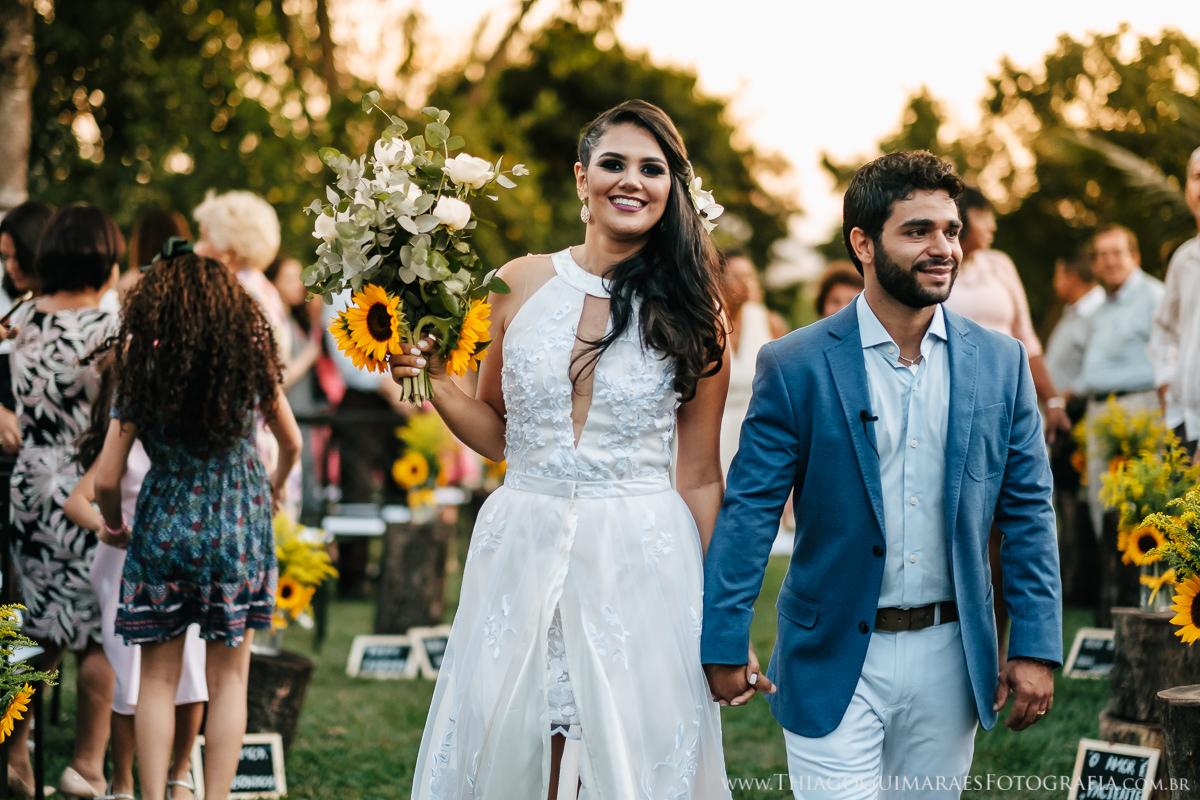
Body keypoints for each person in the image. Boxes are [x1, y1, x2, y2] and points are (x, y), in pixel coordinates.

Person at [394, 99, 736, 799]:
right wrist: (435, 382)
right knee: (521, 739)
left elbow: (700, 477)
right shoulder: (516, 282)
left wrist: (721, 615)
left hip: (640, 557)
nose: (630, 181)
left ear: (673, 189)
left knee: (622, 751)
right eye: (613, 164)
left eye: (652, 168)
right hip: (523, 539)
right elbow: (500, 434)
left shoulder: (698, 310)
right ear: (582, 178)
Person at [702, 151, 1062, 799]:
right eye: (918, 230)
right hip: (834, 650)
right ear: (863, 244)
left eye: (950, 230)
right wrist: (725, 636)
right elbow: (751, 509)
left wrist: (1035, 644)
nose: (943, 247)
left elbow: (1029, 509)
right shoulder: (794, 364)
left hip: (953, 655)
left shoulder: (1001, 364)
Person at [93, 248, 300, 800]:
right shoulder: (249, 363)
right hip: (239, 524)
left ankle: (155, 795)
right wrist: (275, 489)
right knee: (230, 679)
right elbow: (292, 441)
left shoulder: (144, 370)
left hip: (163, 525)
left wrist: (114, 526)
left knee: (157, 679)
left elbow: (108, 479)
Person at [7, 204, 123, 799]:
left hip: (30, 483)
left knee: (33, 624)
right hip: (89, 484)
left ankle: (15, 754)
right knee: (100, 630)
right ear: (102, 257)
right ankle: (87, 766)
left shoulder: (20, 322)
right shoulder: (109, 329)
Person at [65, 348, 208, 800]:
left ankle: (179, 774)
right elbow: (78, 500)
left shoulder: (186, 442)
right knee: (129, 677)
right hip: (124, 568)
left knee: (192, 673)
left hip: (179, 566)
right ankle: (123, 783)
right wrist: (110, 530)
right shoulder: (124, 443)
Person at [1080, 225, 1164, 533]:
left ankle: (1146, 580)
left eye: (1117, 253)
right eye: (1102, 255)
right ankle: (1113, 579)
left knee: (1145, 505)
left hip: (1142, 408)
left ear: (1135, 256)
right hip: (1100, 412)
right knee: (1102, 506)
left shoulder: (1156, 296)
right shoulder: (1099, 305)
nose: (1109, 261)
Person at [1151, 146, 1200, 457]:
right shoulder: (1184, 259)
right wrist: (1166, 383)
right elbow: (1164, 330)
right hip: (1184, 423)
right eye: (1197, 177)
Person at [720, 247, 786, 476]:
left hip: (756, 436)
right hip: (712, 434)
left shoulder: (768, 321)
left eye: (750, 276)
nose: (746, 283)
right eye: (738, 277)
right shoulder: (704, 322)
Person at [0, 200, 55, 454]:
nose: (10, 267)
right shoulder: (11, 300)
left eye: (18, 257)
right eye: (5, 257)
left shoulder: (77, 314)